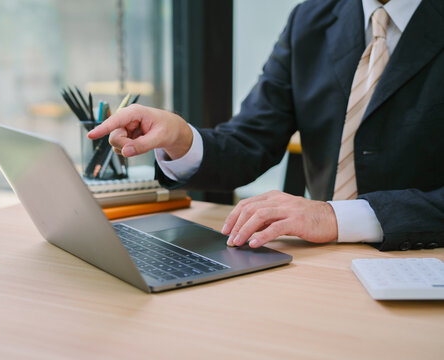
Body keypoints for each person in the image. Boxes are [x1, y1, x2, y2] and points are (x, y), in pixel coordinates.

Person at [89, 0, 444, 251]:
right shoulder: (310, 19)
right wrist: (183, 139)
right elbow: (250, 141)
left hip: (422, 258)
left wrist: (334, 217)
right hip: (322, 263)